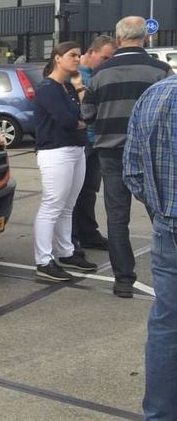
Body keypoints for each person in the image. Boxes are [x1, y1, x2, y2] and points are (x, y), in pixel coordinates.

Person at [82, 16, 172, 297]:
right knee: (158, 211)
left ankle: (123, 279)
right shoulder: (161, 71)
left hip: (111, 152)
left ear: (118, 39)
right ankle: (167, 272)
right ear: (144, 38)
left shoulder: (100, 73)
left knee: (117, 216)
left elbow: (87, 115)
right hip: (150, 153)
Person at [124, 76, 177, 419]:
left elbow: (133, 173)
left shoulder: (154, 95)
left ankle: (159, 414)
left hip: (168, 228)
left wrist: (162, 211)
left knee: (167, 324)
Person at [32, 41, 98, 281]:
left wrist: (79, 88)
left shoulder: (68, 88)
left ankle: (66, 252)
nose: (77, 60)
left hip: (76, 149)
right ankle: (43, 260)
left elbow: (84, 115)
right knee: (52, 204)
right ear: (57, 58)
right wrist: (80, 122)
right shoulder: (47, 88)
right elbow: (67, 120)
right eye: (72, 55)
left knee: (68, 205)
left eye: (79, 56)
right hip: (55, 151)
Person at [69, 35, 117, 256]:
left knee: (89, 190)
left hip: (96, 139)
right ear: (91, 52)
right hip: (80, 141)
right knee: (73, 192)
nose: (106, 62)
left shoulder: (101, 74)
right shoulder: (75, 74)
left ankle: (88, 232)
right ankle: (72, 237)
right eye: (104, 57)